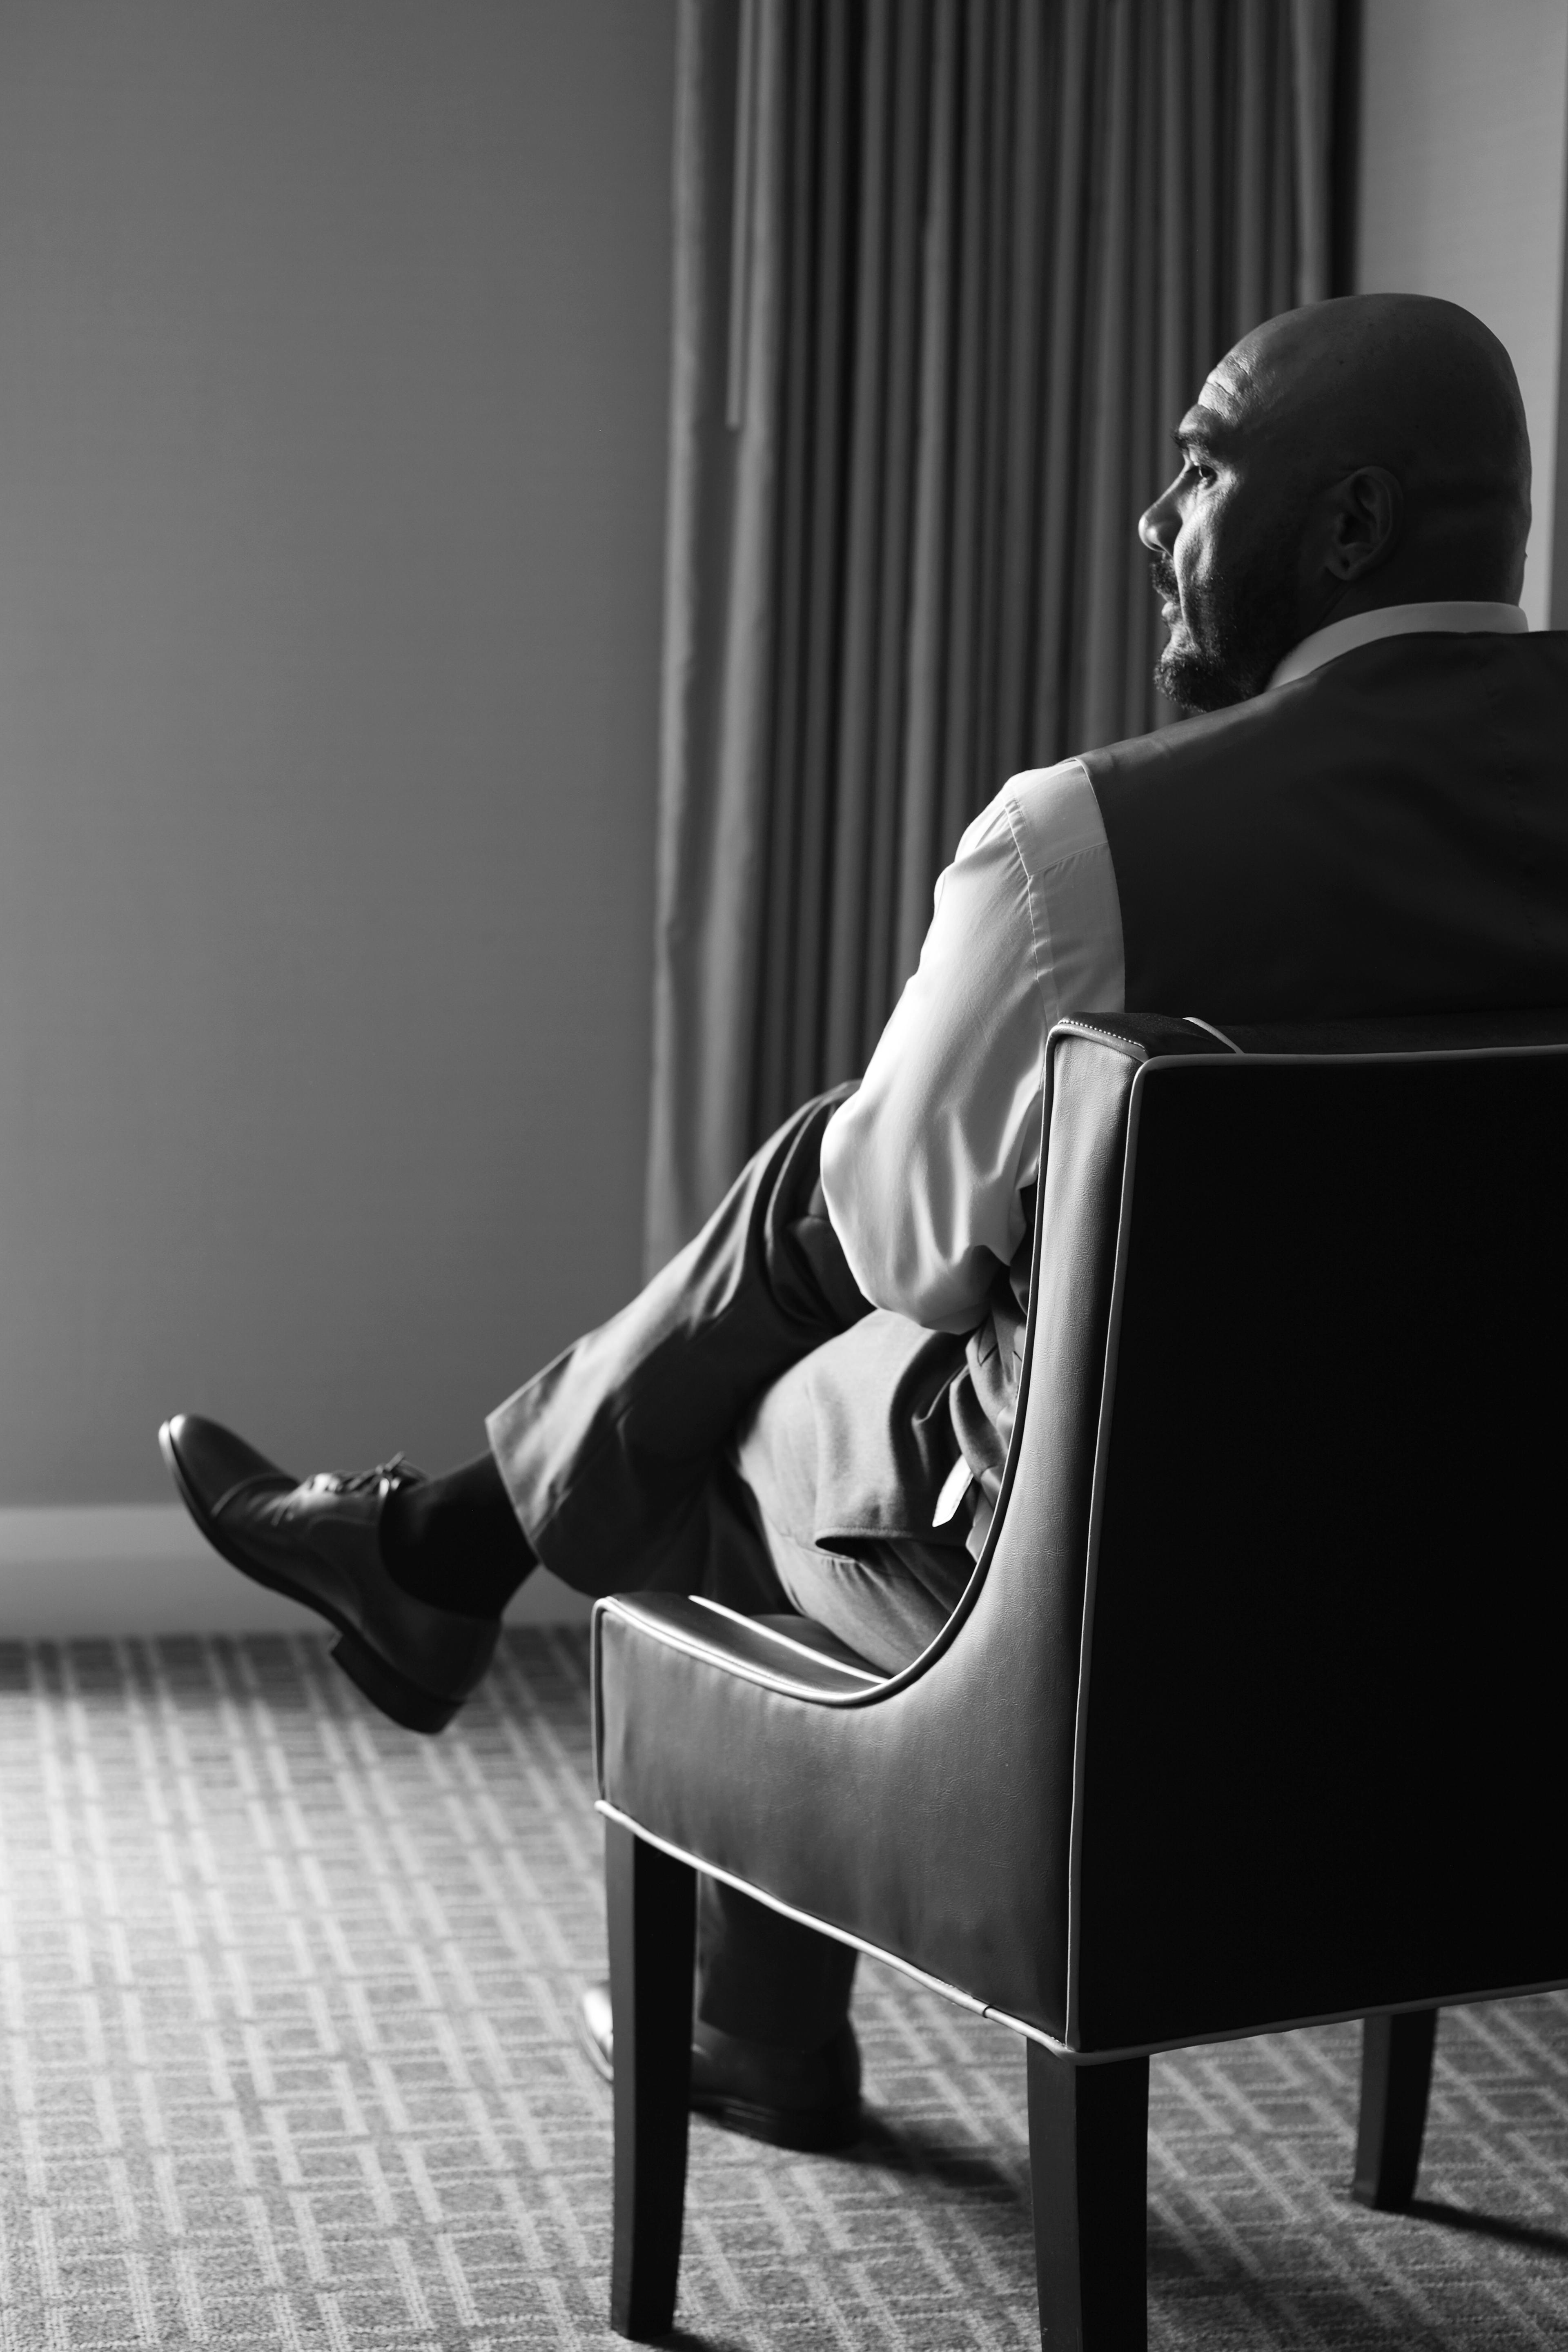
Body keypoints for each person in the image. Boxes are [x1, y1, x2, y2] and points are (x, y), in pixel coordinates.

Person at [162, 291, 1568, 2150]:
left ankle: (536, 1697)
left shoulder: (1090, 849)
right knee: (831, 1227)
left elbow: (907, 1253)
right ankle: (443, 1569)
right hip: (1520, 1628)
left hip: (1140, 1639)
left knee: (755, 1389)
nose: (1153, 519)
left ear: (1353, 525)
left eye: (1203, 468)